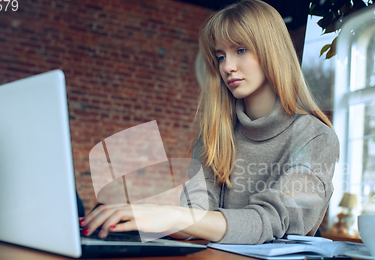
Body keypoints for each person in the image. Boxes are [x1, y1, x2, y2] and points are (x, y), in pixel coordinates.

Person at [81, 0, 339, 244]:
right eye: (221, 56)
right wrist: (142, 215)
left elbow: (272, 221)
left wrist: (174, 217)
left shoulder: (316, 138)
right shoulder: (214, 136)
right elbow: (197, 217)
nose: (227, 66)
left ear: (272, 51)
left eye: (240, 50)